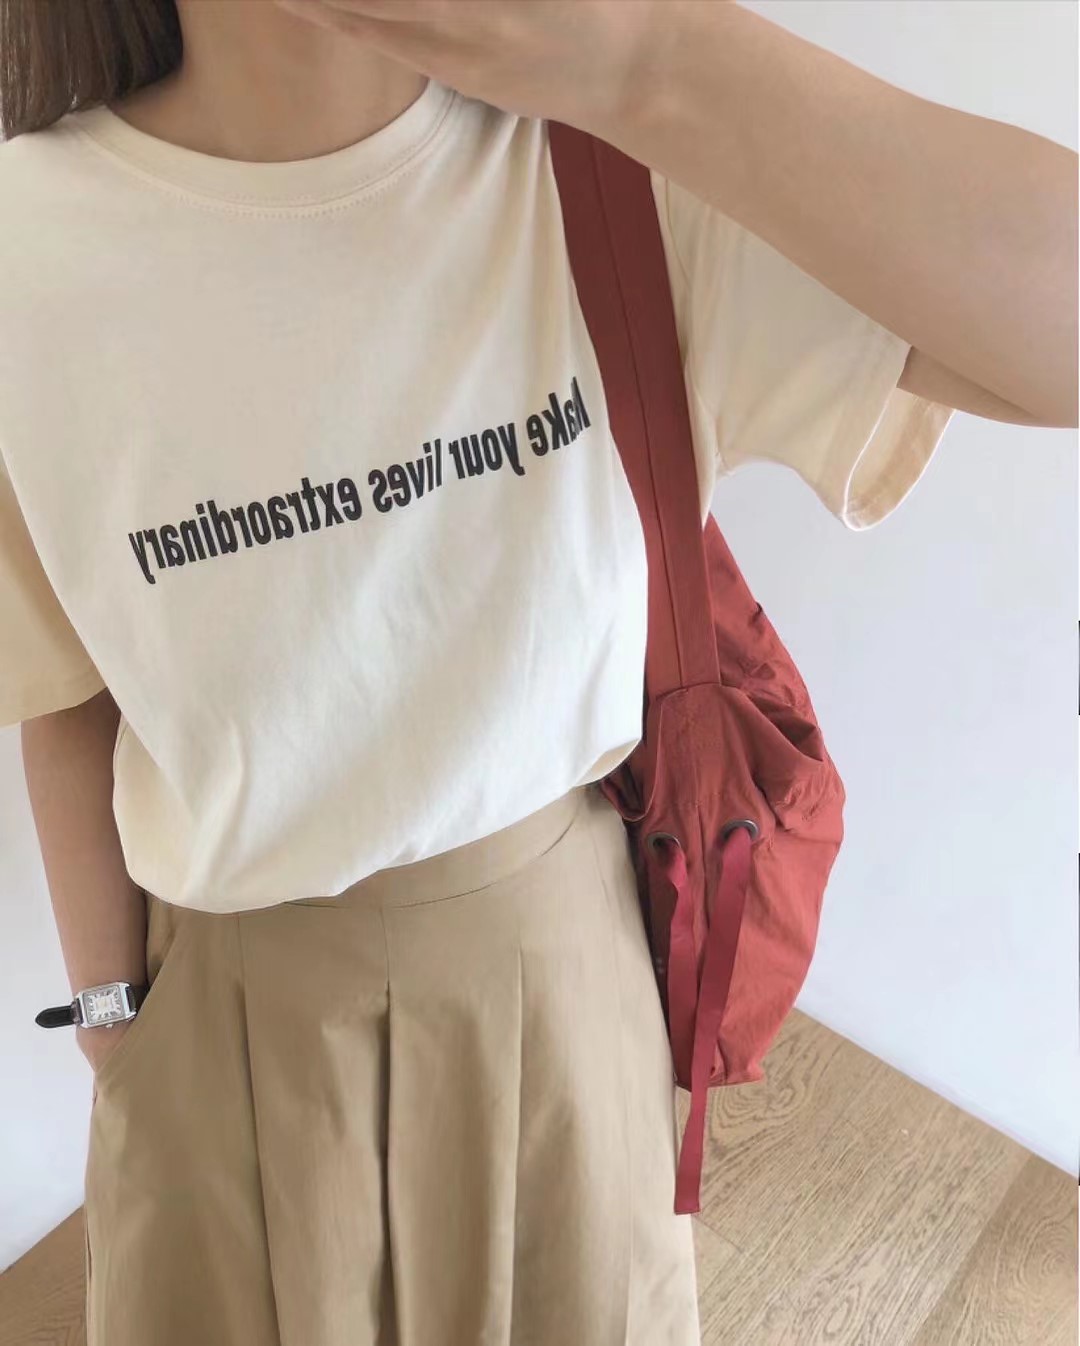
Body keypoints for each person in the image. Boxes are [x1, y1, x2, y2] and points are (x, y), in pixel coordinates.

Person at [1, 2, 1073, 1344]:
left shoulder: (611, 172)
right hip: (222, 1039)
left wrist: (650, 59)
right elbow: (63, 687)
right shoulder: (32, 244)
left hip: (568, 1003)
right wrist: (116, 1029)